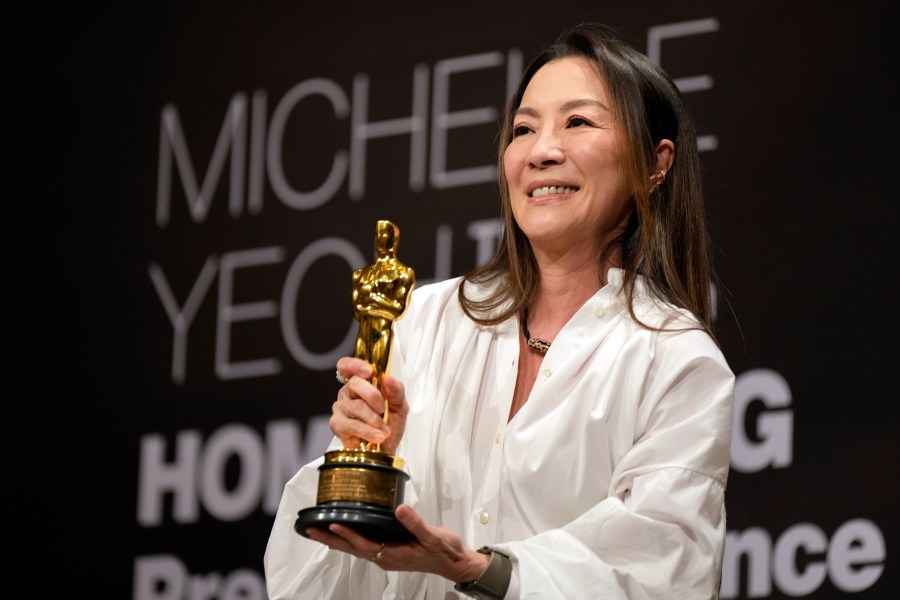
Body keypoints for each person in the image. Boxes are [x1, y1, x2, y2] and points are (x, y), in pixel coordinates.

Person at [265, 22, 734, 599]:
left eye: (578, 122)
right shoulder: (426, 321)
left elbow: (664, 574)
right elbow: (311, 586)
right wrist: (369, 474)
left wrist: (478, 570)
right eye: (523, 129)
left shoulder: (678, 360)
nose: (541, 151)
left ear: (655, 162)